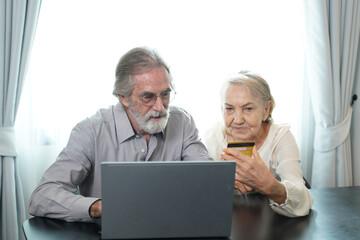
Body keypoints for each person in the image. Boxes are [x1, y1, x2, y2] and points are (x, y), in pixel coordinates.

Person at [29, 47, 212, 222]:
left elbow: (209, 180)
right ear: (123, 97)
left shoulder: (182, 122)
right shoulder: (91, 131)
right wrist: (99, 207)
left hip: (172, 228)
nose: (160, 107)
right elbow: (42, 196)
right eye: (148, 97)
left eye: (165, 94)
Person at [204, 71, 313, 217]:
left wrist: (270, 186)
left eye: (248, 109)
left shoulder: (280, 137)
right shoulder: (213, 136)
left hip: (273, 224)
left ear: (266, 110)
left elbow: (303, 200)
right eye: (229, 108)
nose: (237, 119)